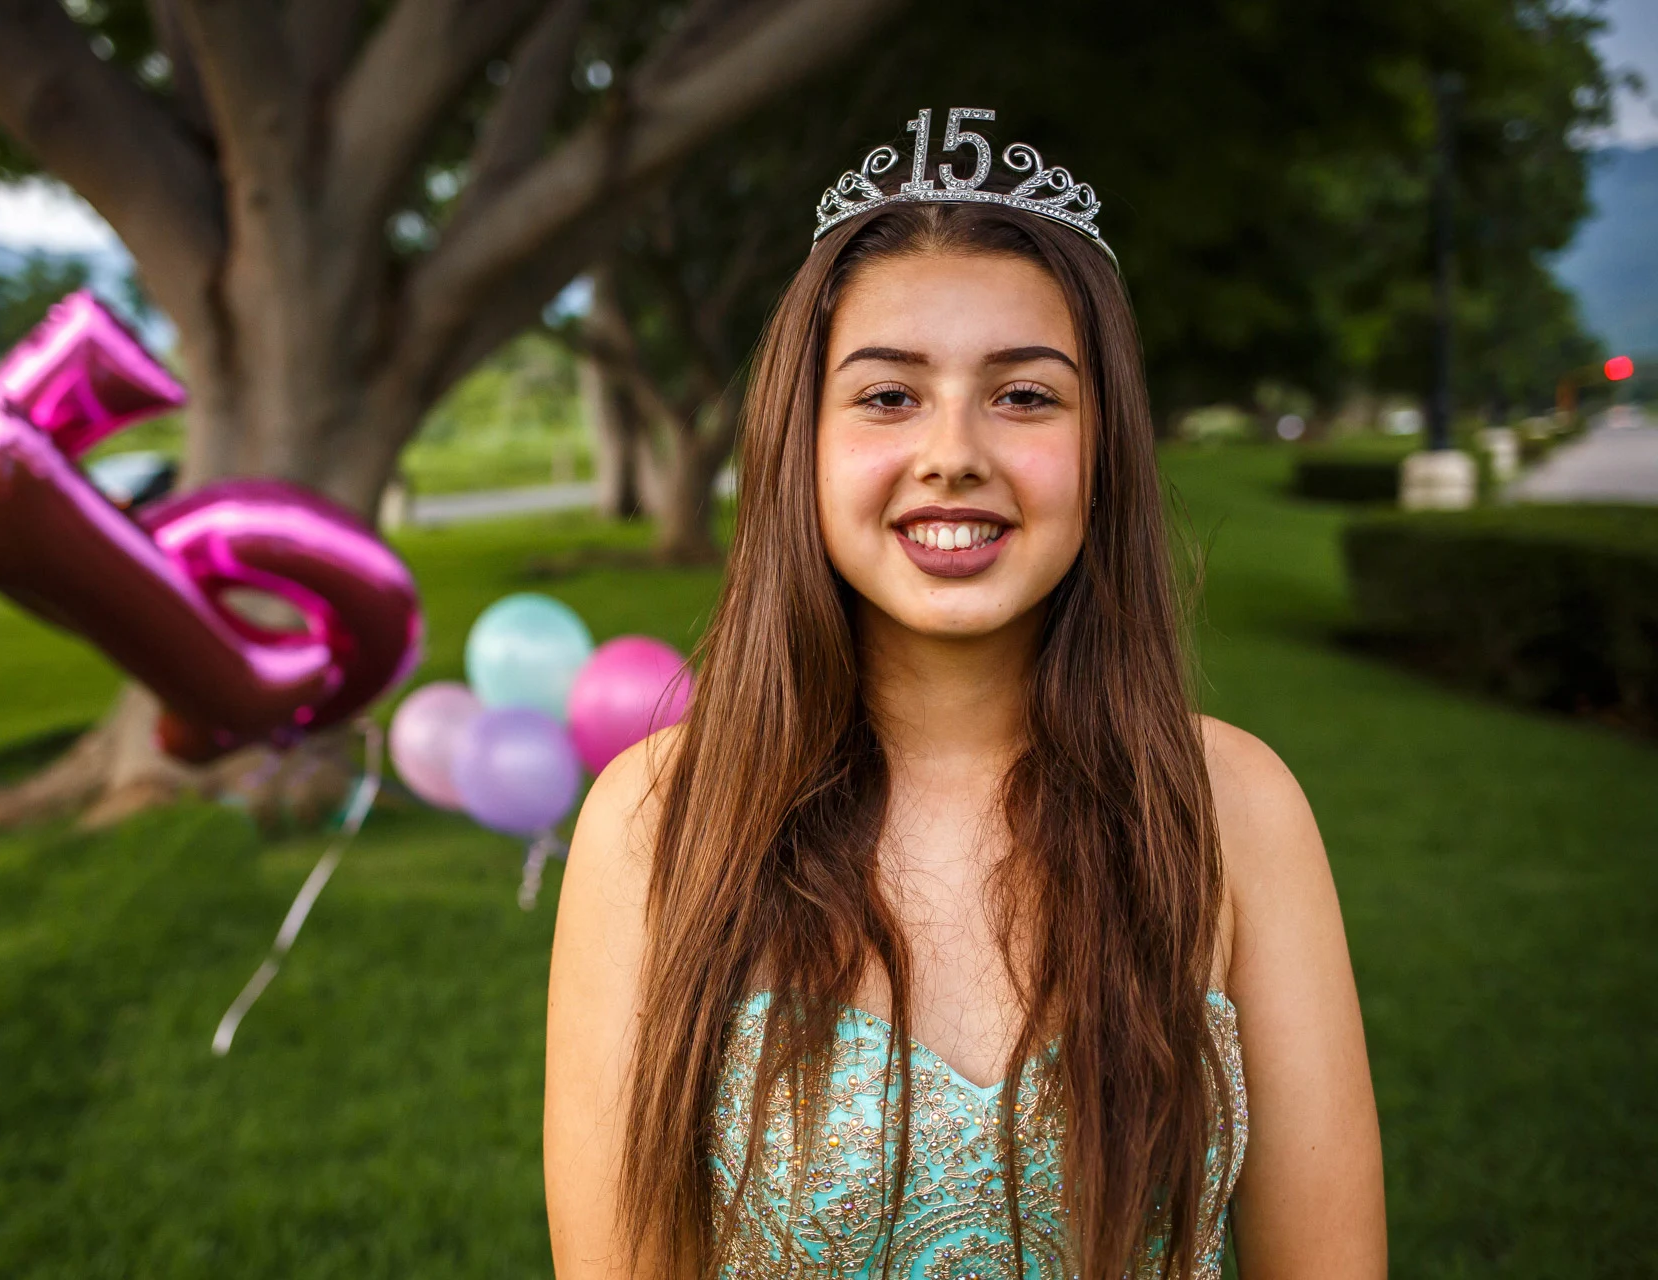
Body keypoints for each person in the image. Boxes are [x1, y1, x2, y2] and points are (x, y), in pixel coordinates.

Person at [546, 110, 1384, 1279]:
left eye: (1025, 396)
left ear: (1105, 445)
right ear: (803, 442)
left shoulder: (1236, 807)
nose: (954, 451)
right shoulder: (658, 818)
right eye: (889, 396)